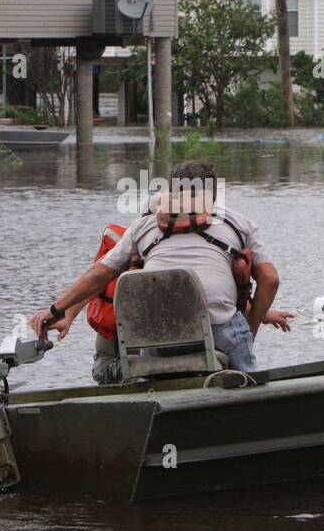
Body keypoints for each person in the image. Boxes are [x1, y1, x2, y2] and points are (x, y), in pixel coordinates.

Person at [30, 160, 285, 374]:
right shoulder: (239, 223)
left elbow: (100, 274)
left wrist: (57, 310)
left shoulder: (142, 227)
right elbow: (269, 281)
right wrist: (251, 328)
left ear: (172, 192)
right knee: (249, 379)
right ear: (214, 195)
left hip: (157, 334)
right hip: (218, 331)